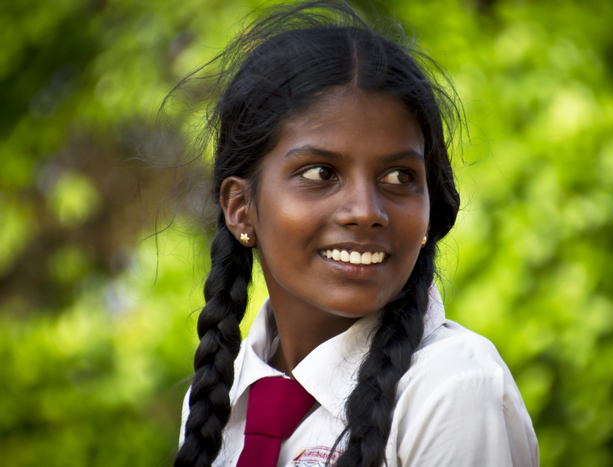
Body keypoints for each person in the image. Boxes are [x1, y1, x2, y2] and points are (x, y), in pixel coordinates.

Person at [173, 1, 539, 466]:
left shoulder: (453, 388)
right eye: (320, 172)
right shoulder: (218, 400)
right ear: (241, 209)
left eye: (399, 177)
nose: (367, 211)